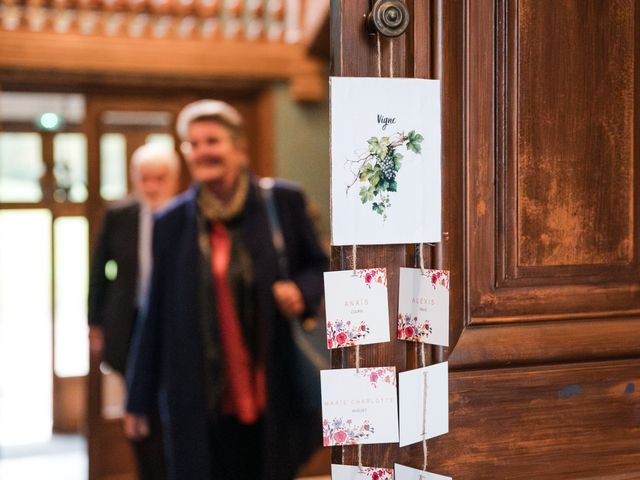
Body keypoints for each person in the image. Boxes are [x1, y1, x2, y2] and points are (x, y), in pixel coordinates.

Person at [124, 99, 328, 480]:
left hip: (272, 387)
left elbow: (321, 266)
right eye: (192, 143)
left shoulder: (282, 202)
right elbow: (155, 315)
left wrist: (301, 290)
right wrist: (138, 400)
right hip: (198, 395)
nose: (202, 151)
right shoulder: (170, 222)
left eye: (212, 140)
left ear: (238, 147)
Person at [88, 142, 180, 480]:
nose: (152, 187)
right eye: (145, 179)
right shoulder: (119, 215)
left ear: (175, 178)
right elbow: (99, 272)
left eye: (160, 178)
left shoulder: (186, 215)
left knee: (169, 407)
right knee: (137, 413)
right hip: (128, 328)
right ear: (134, 179)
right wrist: (94, 324)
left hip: (174, 330)